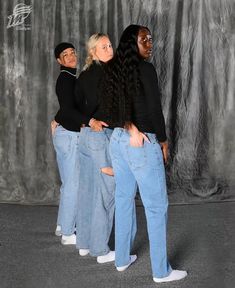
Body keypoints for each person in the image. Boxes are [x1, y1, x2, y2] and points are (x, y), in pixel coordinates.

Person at [98, 25, 187, 283]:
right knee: (157, 207)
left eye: (150, 38)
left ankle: (122, 259)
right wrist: (162, 140)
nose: (149, 43)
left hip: (118, 141)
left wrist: (127, 127)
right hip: (141, 143)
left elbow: (108, 111)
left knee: (124, 199)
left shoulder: (113, 69)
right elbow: (154, 110)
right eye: (143, 39)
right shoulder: (145, 70)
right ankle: (161, 271)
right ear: (131, 43)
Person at [74, 33, 116, 263]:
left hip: (85, 136)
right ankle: (100, 249)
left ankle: (84, 243)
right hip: (101, 136)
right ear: (93, 51)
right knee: (104, 193)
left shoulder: (83, 75)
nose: (110, 49)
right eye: (104, 46)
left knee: (87, 191)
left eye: (110, 45)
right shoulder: (108, 74)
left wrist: (88, 120)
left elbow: (75, 108)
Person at [52, 42, 90, 245]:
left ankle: (61, 225)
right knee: (73, 184)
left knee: (69, 184)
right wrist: (87, 121)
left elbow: (65, 107)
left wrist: (57, 118)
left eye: (72, 52)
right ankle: (68, 232)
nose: (71, 56)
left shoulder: (69, 78)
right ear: (59, 61)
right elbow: (68, 109)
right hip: (69, 136)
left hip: (65, 134)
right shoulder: (66, 79)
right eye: (65, 55)